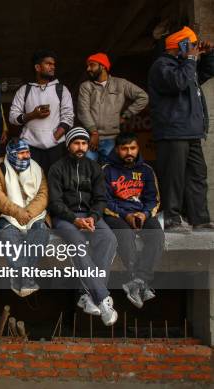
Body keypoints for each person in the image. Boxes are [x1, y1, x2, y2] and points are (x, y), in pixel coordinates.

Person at [48, 127, 118, 326]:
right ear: (68, 145)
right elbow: (55, 202)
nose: (81, 147)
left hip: (90, 217)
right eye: (76, 143)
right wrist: (74, 220)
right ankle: (103, 298)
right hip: (65, 218)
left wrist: (93, 218)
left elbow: (100, 199)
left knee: (109, 238)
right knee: (77, 243)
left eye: (84, 143)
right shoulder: (57, 168)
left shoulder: (94, 167)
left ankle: (87, 295)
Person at [148, 26, 214, 232]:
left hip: (192, 131)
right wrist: (191, 59)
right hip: (173, 131)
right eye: (191, 44)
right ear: (181, 45)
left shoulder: (185, 66)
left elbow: (206, 72)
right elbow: (178, 82)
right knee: (173, 176)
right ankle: (171, 219)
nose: (195, 48)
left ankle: (199, 219)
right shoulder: (162, 66)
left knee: (197, 175)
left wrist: (209, 54)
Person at [103, 132, 163, 308]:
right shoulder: (107, 170)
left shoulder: (146, 170)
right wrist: (125, 215)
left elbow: (154, 199)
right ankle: (133, 278)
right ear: (117, 149)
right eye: (124, 148)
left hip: (141, 214)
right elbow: (104, 201)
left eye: (133, 148)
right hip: (116, 215)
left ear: (137, 149)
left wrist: (144, 214)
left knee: (157, 236)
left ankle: (139, 281)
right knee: (125, 236)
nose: (129, 152)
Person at [0, 139, 49, 297]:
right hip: (6, 215)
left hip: (34, 215)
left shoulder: (36, 168)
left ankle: (18, 278)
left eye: (27, 152)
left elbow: (43, 195)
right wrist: (17, 212)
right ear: (12, 154)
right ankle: (26, 280)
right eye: (21, 153)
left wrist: (27, 213)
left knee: (41, 233)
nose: (26, 156)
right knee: (10, 236)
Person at [9, 49, 74, 174]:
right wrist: (32, 115)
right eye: (48, 64)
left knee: (55, 184)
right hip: (30, 146)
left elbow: (68, 117)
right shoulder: (25, 90)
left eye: (53, 64)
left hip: (56, 147)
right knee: (33, 184)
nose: (52, 67)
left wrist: (54, 138)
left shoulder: (61, 89)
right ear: (37, 67)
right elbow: (12, 117)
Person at [78, 53, 149, 164]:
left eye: (92, 65)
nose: (88, 69)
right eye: (88, 66)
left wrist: (127, 115)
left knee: (111, 172)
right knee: (88, 171)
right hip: (90, 139)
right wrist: (94, 132)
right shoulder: (86, 86)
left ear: (103, 66)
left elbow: (143, 97)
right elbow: (83, 111)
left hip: (111, 139)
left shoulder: (121, 84)